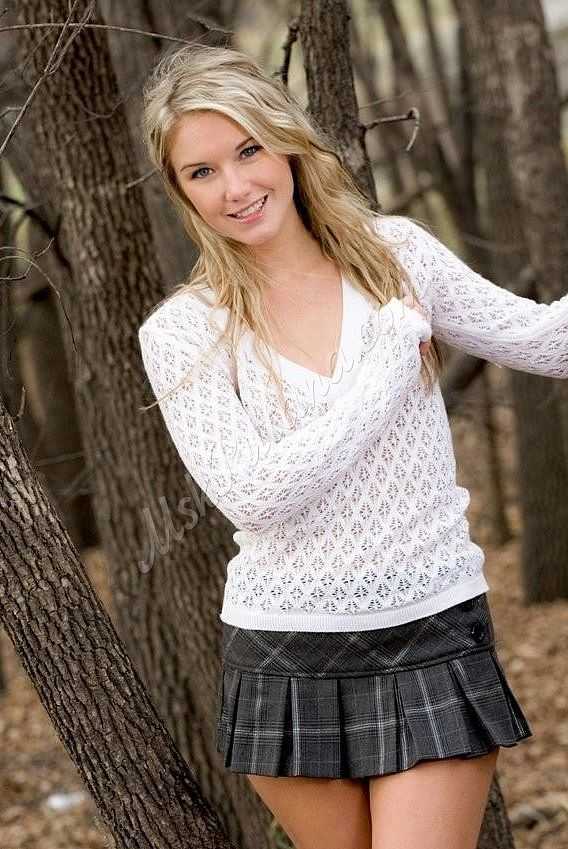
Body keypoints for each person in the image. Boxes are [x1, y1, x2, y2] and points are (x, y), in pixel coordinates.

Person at [138, 42, 567, 849]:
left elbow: (547, 339)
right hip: (284, 651)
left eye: (248, 151)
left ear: (285, 143)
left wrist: (394, 343)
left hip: (430, 626)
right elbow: (255, 495)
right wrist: (384, 365)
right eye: (202, 172)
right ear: (180, 190)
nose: (235, 187)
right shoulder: (183, 332)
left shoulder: (394, 258)